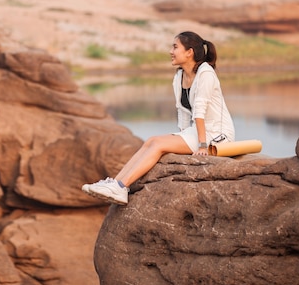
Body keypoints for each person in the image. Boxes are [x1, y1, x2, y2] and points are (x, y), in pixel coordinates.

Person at [82, 31, 235, 205]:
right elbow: (183, 113)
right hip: (197, 131)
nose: (171, 51)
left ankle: (121, 186)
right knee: (152, 140)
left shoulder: (205, 73)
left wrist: (201, 146)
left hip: (217, 134)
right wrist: (180, 139)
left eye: (175, 47)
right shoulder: (179, 77)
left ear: (189, 52)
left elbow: (199, 111)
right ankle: (116, 184)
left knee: (158, 144)